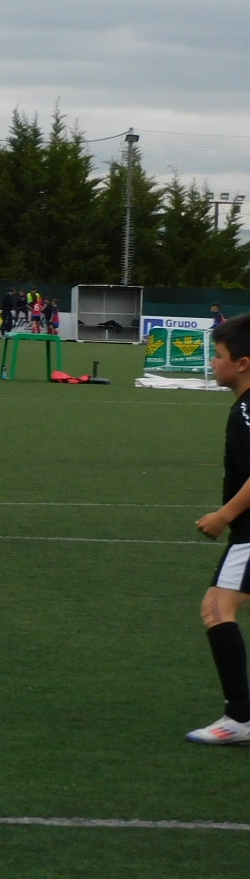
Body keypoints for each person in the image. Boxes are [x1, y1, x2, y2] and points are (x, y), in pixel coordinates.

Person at [186, 314, 250, 744]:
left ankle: (239, 719)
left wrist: (224, 514)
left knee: (216, 608)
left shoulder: (246, 410)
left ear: (242, 363)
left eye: (219, 355)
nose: (213, 363)